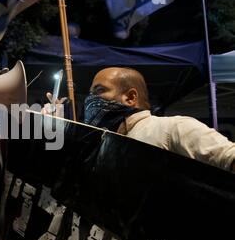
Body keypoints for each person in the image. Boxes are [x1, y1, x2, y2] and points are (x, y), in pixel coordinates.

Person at [83, 67, 235, 172]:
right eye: (90, 93)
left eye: (100, 90)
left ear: (130, 97)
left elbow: (229, 157)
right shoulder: (104, 145)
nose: (91, 99)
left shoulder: (173, 128)